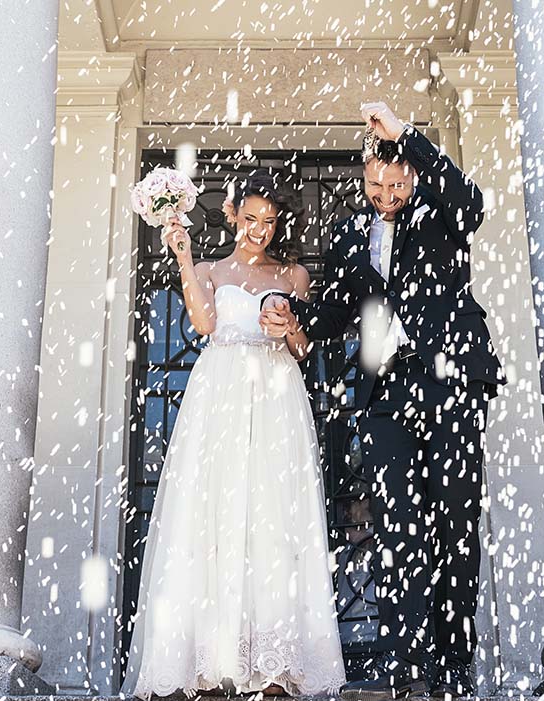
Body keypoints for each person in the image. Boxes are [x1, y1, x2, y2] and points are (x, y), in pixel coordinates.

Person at [260, 103, 506, 700]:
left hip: (450, 382)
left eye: (396, 185)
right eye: (376, 184)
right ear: (364, 174)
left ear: (413, 177)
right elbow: (342, 306)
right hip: (384, 394)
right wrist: (294, 317)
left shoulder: (443, 212)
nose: (385, 195)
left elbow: (474, 202)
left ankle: (451, 670)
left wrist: (406, 135)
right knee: (397, 527)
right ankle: (403, 669)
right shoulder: (351, 231)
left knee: (453, 525)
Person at [121, 170, 346, 699]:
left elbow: (304, 350)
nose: (260, 230)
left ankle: (271, 662)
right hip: (221, 393)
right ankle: (216, 656)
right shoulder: (211, 270)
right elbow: (202, 323)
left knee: (271, 518)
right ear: (231, 214)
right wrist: (181, 255)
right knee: (216, 514)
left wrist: (288, 327)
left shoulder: (293, 276)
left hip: (275, 397)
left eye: (269, 222)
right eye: (250, 219)